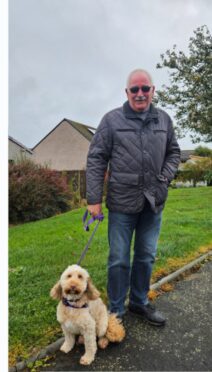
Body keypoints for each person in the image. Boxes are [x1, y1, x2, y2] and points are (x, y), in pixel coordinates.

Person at [86, 69, 181, 326]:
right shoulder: (111, 120)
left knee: (146, 255)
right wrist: (93, 199)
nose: (140, 94)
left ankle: (139, 302)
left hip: (153, 203)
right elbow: (96, 159)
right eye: (134, 89)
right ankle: (116, 311)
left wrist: (164, 179)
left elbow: (174, 153)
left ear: (153, 90)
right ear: (126, 93)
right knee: (118, 258)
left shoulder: (163, 120)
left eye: (145, 88)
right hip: (121, 204)